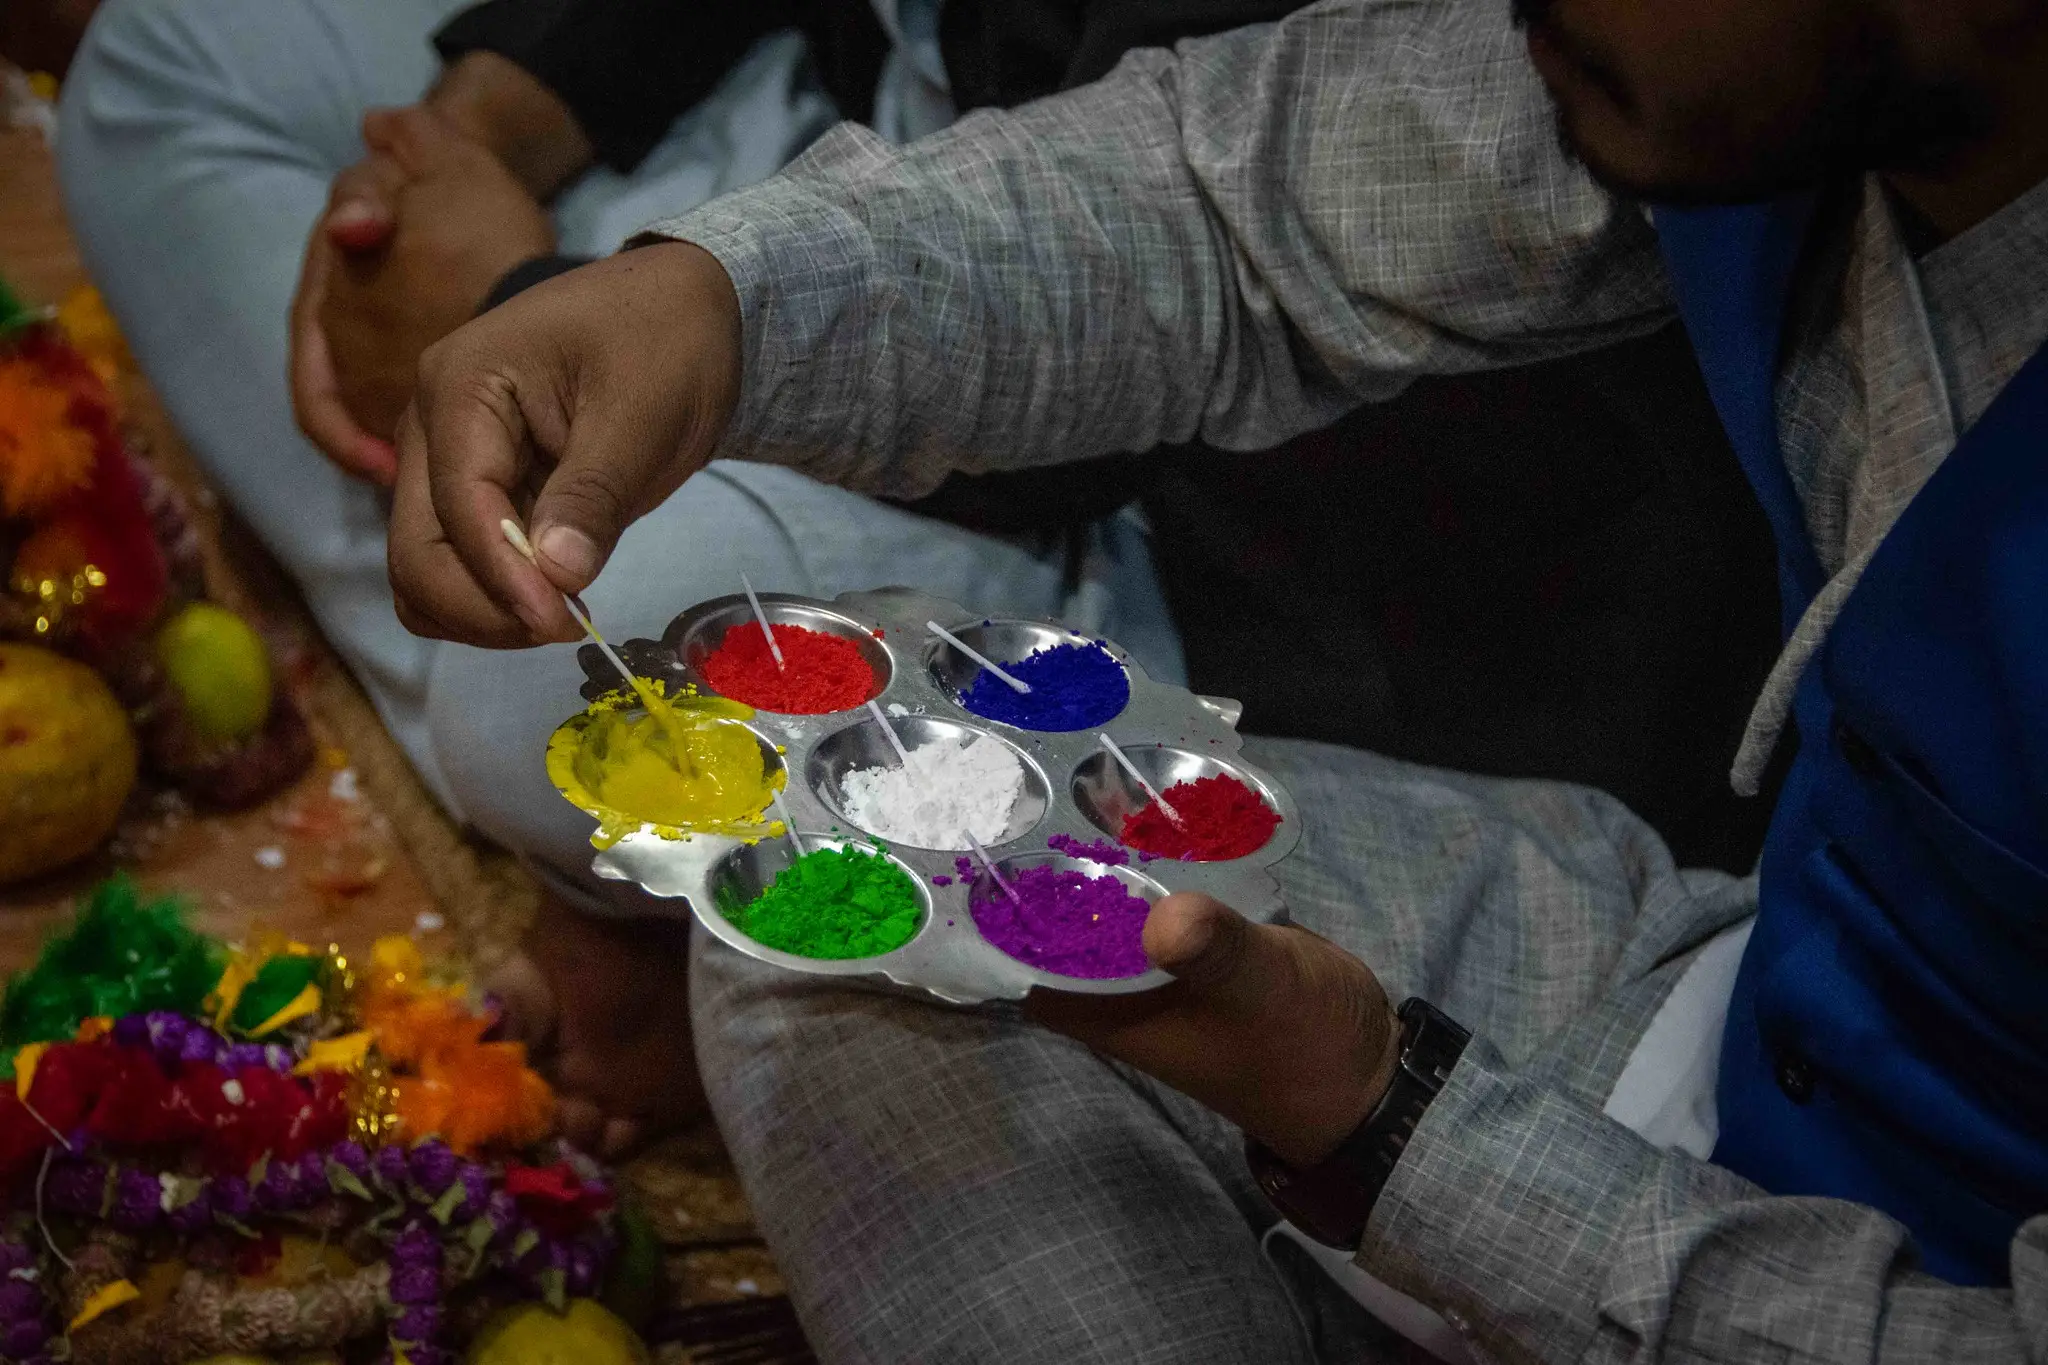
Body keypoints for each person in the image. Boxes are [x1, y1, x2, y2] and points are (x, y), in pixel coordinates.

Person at [385, 0, 2048, 1358]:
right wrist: (719, 304)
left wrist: (1387, 1123)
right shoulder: (1789, 88)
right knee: (862, 887)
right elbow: (1223, 207)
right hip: (1743, 1001)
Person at [58, 0, 1782, 1163]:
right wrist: (472, 165)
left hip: (1231, 524)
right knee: (168, 55)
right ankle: (631, 820)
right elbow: (1142, 194)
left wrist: (539, 284)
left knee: (547, 691)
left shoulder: (1637, 107)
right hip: (865, 152)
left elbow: (1192, 265)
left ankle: (633, 867)